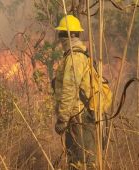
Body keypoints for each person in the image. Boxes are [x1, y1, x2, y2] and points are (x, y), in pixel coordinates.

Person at [53, 15, 96, 169]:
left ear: (70, 35)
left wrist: (62, 119)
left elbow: (69, 89)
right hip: (77, 116)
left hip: (79, 116)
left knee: (81, 162)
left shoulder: (75, 57)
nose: (60, 39)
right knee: (77, 160)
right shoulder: (74, 55)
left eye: (62, 34)